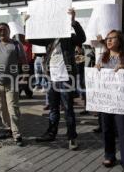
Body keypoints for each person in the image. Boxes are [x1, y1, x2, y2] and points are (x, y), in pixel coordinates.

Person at [33, 9, 86, 151]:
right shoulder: (49, 40)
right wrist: (28, 23)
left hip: (66, 79)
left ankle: (72, 138)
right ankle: (51, 133)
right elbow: (31, 38)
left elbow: (82, 38)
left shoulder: (69, 37)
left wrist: (74, 22)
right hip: (52, 78)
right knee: (53, 108)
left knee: (68, 108)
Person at [96, 30, 124, 171]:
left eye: (112, 38)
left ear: (119, 40)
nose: (108, 41)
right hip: (106, 100)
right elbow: (96, 78)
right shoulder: (102, 57)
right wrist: (96, 70)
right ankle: (109, 156)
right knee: (107, 129)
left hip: (122, 101)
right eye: (107, 39)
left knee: (123, 131)